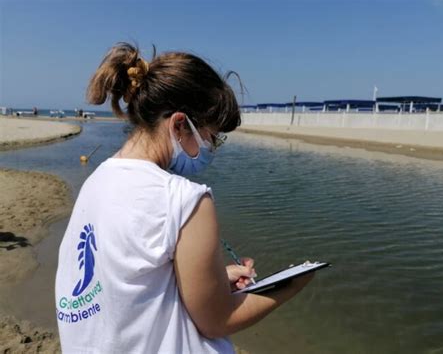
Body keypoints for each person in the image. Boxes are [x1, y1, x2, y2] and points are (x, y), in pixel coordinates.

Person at [55, 42, 314, 353]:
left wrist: (215, 280)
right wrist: (290, 285)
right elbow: (218, 321)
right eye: (211, 136)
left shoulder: (95, 183)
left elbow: (124, 284)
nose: (211, 148)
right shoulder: (185, 200)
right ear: (180, 124)